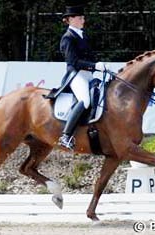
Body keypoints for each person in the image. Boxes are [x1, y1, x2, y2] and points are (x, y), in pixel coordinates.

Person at [58, 1, 108, 150]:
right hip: (76, 75)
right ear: (71, 19)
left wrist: (99, 65)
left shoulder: (82, 36)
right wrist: (94, 66)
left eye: (83, 18)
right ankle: (66, 136)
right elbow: (73, 61)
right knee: (85, 100)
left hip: (87, 74)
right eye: (80, 18)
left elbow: (89, 56)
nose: (83, 20)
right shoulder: (67, 38)